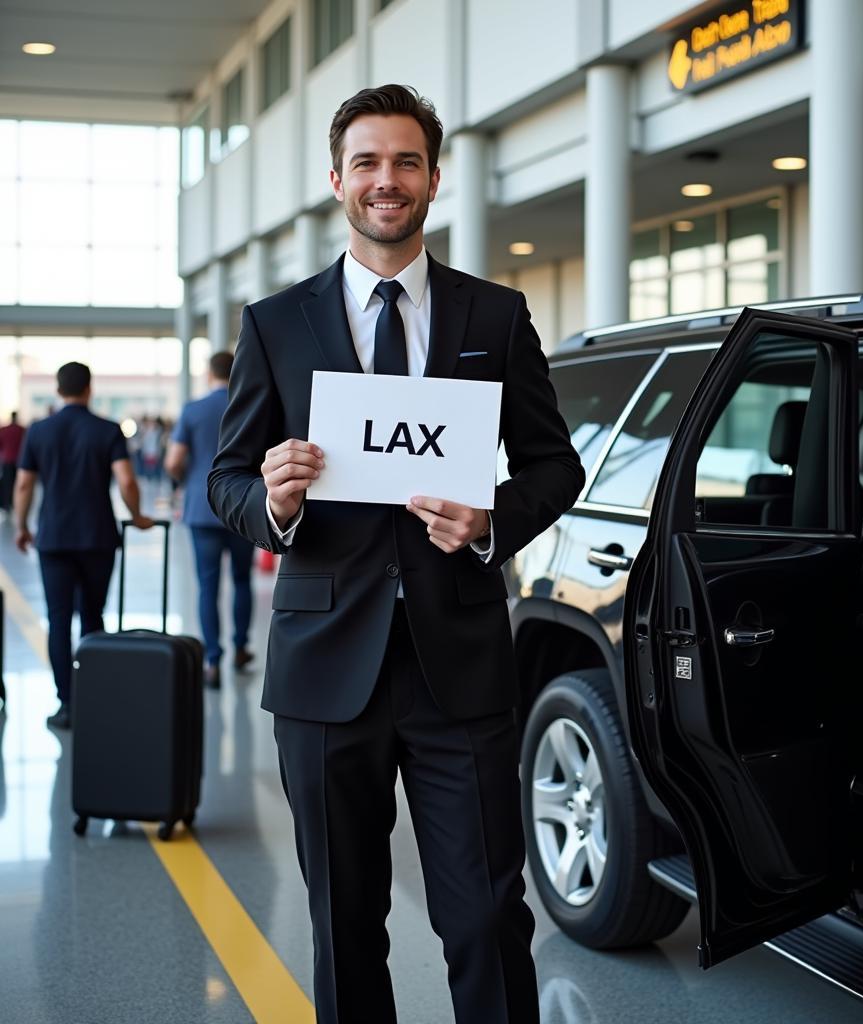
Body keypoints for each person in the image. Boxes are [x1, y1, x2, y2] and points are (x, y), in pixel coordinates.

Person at [208, 84, 584, 1024]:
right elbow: (225, 482)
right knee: (343, 922)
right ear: (337, 181)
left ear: (433, 178)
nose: (388, 180)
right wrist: (278, 501)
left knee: (491, 915)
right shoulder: (276, 323)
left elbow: (554, 464)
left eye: (407, 162)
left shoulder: (493, 317)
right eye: (368, 163)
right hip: (324, 668)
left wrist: (489, 522)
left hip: (459, 665)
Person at [13, 362, 152, 729]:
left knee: (58, 621)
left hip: (54, 538)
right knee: (93, 617)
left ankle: (67, 704)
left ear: (59, 390)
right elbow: (127, 480)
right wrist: (137, 515)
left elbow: (25, 485)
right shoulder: (106, 430)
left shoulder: (39, 431)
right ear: (89, 389)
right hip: (97, 537)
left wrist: (22, 525)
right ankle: (94, 697)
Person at [164, 350, 254, 689]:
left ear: (208, 373)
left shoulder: (193, 409)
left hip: (202, 508)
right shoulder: (247, 404)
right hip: (243, 507)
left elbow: (174, 461)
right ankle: (242, 647)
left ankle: (212, 661)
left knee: (208, 586)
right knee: (242, 580)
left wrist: (187, 479)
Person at [0, 411, 26, 514]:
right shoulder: (22, 430)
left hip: (7, 460)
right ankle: (16, 503)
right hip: (20, 461)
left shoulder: (4, 430)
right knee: (18, 483)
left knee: (7, 483)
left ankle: (7, 504)